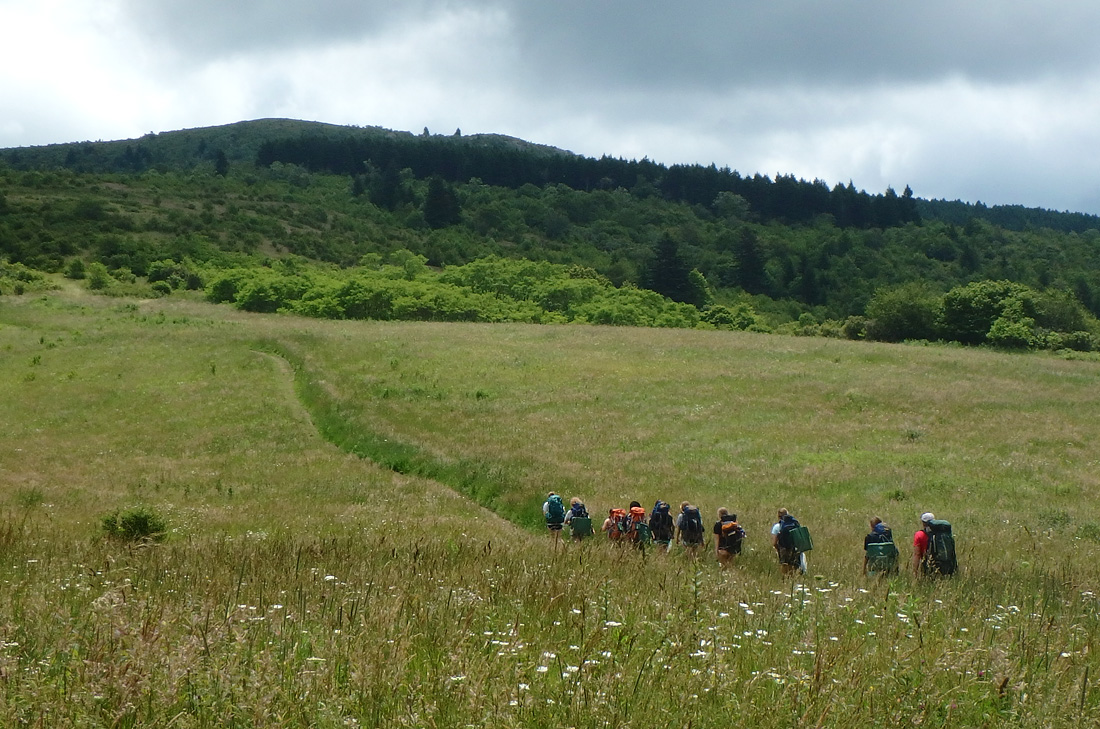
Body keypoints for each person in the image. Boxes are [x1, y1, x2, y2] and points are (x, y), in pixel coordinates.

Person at [771, 508, 803, 576]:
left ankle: (785, 581)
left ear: (778, 516)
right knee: (794, 567)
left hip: (784, 550)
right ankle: (794, 580)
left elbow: (774, 543)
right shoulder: (795, 524)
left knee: (784, 567)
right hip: (795, 550)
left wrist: (778, 550)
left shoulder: (777, 527)